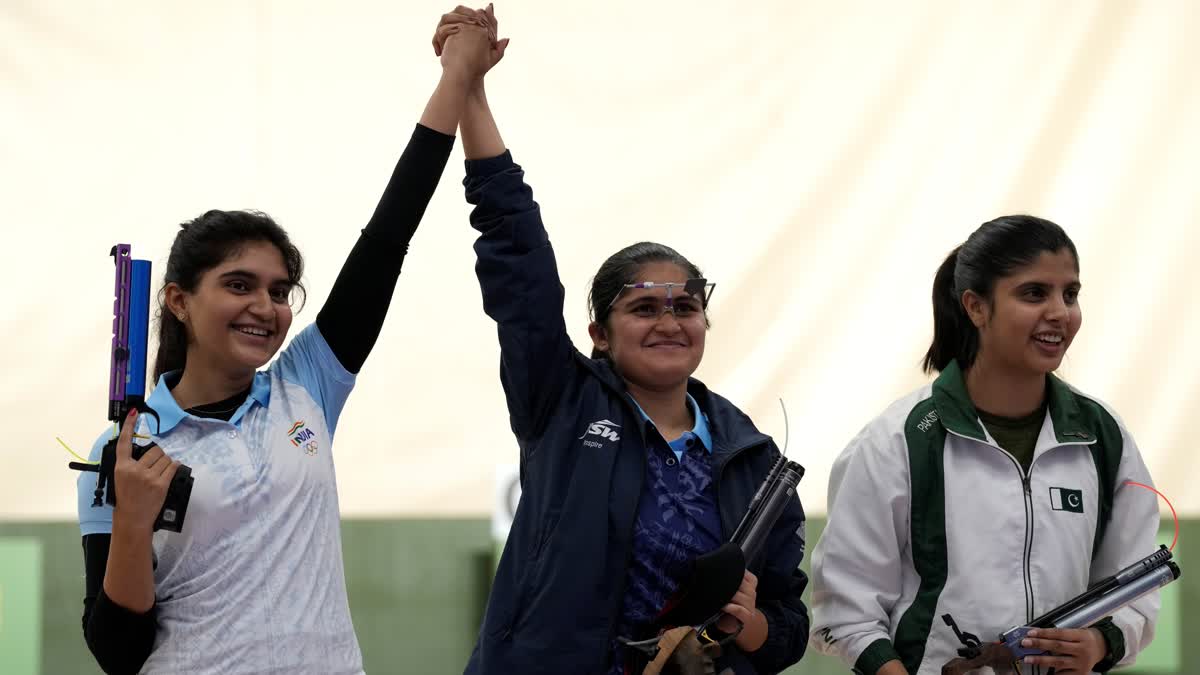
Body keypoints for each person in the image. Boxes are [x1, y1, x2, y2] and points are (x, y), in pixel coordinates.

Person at [75, 24, 495, 674]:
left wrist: (455, 79)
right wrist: (131, 519)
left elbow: (390, 233)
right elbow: (118, 653)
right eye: (239, 285)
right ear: (179, 300)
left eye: (279, 290)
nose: (266, 307)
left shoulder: (308, 384)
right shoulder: (124, 451)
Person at [432, 7, 809, 674]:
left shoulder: (753, 458)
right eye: (643, 307)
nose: (669, 320)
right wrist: (471, 94)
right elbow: (518, 260)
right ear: (598, 335)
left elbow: (789, 630)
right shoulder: (561, 401)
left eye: (685, 305)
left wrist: (749, 624)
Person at [810, 215, 1161, 675]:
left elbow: (1136, 589)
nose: (1060, 312)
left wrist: (1099, 643)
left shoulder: (1103, 435)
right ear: (976, 307)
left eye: (1070, 294)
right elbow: (846, 614)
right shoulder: (897, 441)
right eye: (1034, 293)